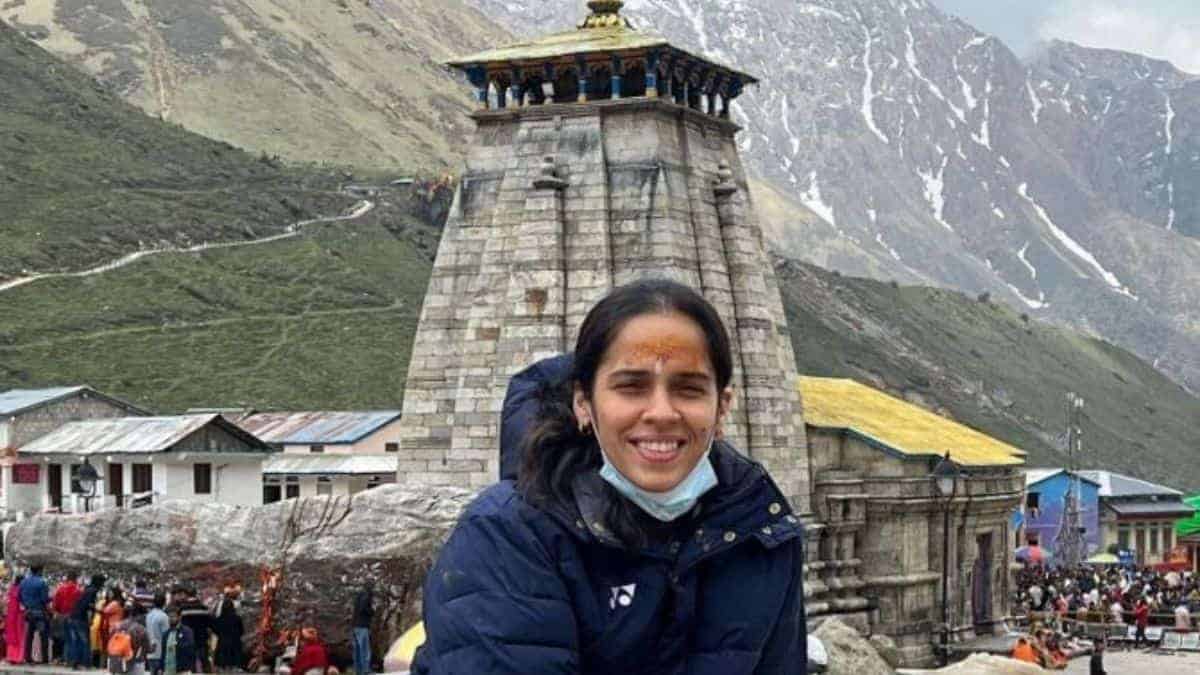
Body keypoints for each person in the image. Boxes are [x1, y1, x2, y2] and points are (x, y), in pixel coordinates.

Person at [412, 280, 808, 674]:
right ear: (583, 403)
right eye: (631, 387)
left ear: (722, 407)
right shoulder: (506, 537)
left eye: (688, 389)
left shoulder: (760, 533)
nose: (661, 412)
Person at [70, 574, 104, 669]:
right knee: (85, 641)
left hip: (74, 616)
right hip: (81, 618)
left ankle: (75, 663)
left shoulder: (87, 589)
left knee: (76, 641)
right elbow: (89, 605)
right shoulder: (93, 591)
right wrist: (97, 613)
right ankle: (86, 664)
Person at [20, 564, 51, 665]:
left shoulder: (23, 582)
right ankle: (44, 658)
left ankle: (28, 657)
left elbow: (19, 596)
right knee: (43, 635)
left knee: (29, 635)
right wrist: (51, 598)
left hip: (28, 612)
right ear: (39, 571)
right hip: (39, 612)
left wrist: (26, 604)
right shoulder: (42, 582)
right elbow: (44, 599)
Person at [175, 589, 211, 673]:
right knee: (203, 659)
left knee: (189, 661)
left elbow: (179, 623)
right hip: (201, 638)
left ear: (187, 595)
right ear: (196, 594)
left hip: (187, 638)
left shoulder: (183, 608)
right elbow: (209, 623)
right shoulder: (203, 607)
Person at [53, 572, 83, 665]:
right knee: (72, 638)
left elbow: (55, 603)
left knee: (62, 638)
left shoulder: (60, 589)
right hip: (73, 616)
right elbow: (80, 604)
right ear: (75, 579)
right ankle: (70, 659)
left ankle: (61, 658)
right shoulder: (78, 590)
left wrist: (57, 611)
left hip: (62, 615)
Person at [212, 588, 243, 673]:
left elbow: (215, 630)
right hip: (235, 644)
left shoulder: (219, 619)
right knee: (233, 668)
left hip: (222, 644)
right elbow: (241, 631)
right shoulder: (237, 619)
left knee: (222, 668)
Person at [161, 609, 195, 675]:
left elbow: (190, 647)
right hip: (168, 670)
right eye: (169, 616)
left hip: (182, 670)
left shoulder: (186, 631)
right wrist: (161, 668)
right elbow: (163, 652)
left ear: (179, 617)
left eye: (173, 616)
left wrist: (177, 644)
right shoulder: (166, 634)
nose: (171, 619)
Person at [351, 582, 373, 675]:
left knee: (357, 650)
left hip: (355, 626)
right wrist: (371, 612)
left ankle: (358, 670)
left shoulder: (358, 596)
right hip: (363, 625)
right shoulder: (366, 595)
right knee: (364, 649)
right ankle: (365, 670)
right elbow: (363, 608)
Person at [146, 594, 170, 675]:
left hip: (150, 649)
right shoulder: (164, 616)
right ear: (164, 603)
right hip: (160, 651)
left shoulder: (148, 615)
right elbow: (166, 635)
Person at [6, 574, 26, 664]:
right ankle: (18, 657)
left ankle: (10, 656)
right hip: (18, 615)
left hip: (10, 615)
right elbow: (22, 605)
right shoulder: (21, 590)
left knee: (11, 636)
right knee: (19, 636)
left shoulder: (11, 589)